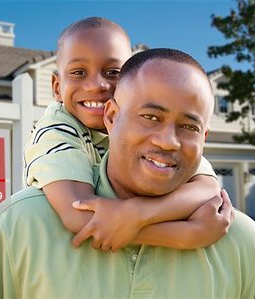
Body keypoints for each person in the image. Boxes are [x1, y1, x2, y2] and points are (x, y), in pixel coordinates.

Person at [0, 49, 255, 298]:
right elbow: (81, 216)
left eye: (188, 126)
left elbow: (206, 184)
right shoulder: (18, 226)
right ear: (110, 116)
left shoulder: (243, 243)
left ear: (204, 137)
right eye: (150, 117)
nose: (168, 141)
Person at [25, 17, 226, 250]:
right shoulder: (55, 131)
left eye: (112, 72)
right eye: (79, 72)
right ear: (57, 87)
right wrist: (188, 235)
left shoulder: (144, 128)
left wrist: (138, 213)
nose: (96, 85)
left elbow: (207, 187)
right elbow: (80, 215)